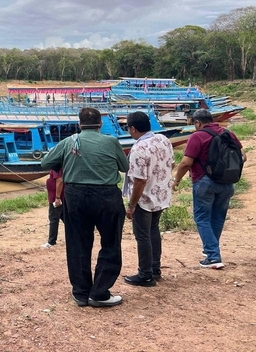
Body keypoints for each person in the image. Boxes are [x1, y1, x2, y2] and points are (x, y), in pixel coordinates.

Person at [41, 107, 129, 308]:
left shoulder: (69, 142)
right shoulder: (111, 141)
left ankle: (81, 293)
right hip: (107, 196)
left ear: (79, 124)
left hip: (75, 196)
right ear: (100, 124)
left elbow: (46, 162)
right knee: (110, 242)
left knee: (78, 244)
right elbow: (125, 167)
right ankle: (99, 292)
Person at [173, 109, 245, 269]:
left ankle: (213, 256)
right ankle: (211, 250)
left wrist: (176, 180)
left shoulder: (197, 136)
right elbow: (243, 156)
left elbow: (186, 162)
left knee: (202, 218)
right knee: (218, 217)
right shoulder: (228, 134)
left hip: (204, 182)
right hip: (227, 182)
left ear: (197, 123)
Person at [123, 111, 174, 286]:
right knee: (153, 230)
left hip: (144, 198)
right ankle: (155, 268)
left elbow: (139, 181)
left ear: (132, 128)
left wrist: (131, 205)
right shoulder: (164, 140)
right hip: (161, 193)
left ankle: (145, 274)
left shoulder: (138, 149)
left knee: (142, 235)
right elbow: (171, 163)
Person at [41, 168, 63, 248]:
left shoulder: (57, 168)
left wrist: (57, 197)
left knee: (53, 219)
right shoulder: (56, 168)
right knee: (66, 219)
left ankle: (51, 241)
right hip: (56, 198)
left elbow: (60, 180)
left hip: (56, 199)